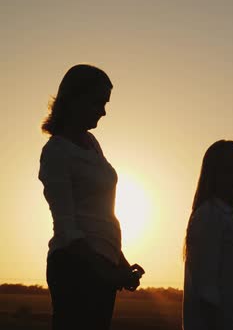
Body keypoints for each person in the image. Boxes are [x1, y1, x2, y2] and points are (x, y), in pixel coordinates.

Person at [39, 64, 144, 330]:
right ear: (74, 99)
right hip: (75, 268)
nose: (103, 110)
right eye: (98, 101)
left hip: (100, 266)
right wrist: (105, 271)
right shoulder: (56, 152)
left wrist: (120, 264)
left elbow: (102, 215)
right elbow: (67, 228)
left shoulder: (92, 145)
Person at [183, 140, 233, 330]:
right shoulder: (210, 216)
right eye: (229, 171)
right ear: (212, 175)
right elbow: (206, 294)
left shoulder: (227, 218)